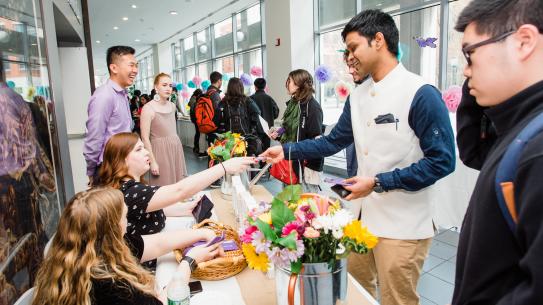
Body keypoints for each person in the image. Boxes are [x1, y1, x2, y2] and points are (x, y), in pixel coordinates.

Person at [261, 10, 455, 305]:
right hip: (361, 220)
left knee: (396, 299)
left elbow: (442, 161)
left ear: (378, 40)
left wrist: (379, 182)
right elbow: (332, 142)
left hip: (404, 223)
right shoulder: (358, 96)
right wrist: (286, 150)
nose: (348, 57)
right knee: (354, 292)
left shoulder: (420, 92)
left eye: (353, 48)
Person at [452, 1, 543, 304]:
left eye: (470, 53)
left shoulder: (536, 148)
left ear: (523, 41)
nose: (466, 70)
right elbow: (472, 151)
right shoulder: (519, 125)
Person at [32, 187, 221, 305]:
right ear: (113, 227)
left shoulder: (83, 252)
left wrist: (202, 233)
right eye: (124, 215)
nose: (128, 218)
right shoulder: (113, 287)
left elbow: (156, 244)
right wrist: (188, 263)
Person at [98, 132, 255, 268]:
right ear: (121, 159)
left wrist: (186, 209)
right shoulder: (132, 192)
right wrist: (224, 167)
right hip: (146, 265)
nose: (147, 153)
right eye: (139, 149)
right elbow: (180, 190)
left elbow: (150, 208)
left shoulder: (127, 188)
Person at [84, 46, 137, 186]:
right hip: (108, 168)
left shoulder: (122, 94)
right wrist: (92, 172)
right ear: (114, 68)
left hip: (122, 165)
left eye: (136, 65)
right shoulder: (104, 96)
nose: (135, 70)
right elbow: (94, 138)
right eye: (131, 65)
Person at [269, 69, 323, 192]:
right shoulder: (294, 104)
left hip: (305, 166)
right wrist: (278, 133)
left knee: (305, 203)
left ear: (299, 84)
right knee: (289, 200)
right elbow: (288, 127)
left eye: (290, 81)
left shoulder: (312, 107)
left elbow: (316, 138)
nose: (287, 84)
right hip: (291, 160)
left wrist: (309, 166)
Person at [140, 73, 187, 186]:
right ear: (156, 87)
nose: (168, 88)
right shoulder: (148, 108)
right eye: (164, 85)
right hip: (160, 151)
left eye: (170, 85)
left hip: (175, 148)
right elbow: (145, 138)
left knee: (178, 186)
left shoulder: (172, 106)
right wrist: (152, 161)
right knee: (163, 186)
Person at [215, 77, 262, 156]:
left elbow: (216, 119)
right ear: (241, 87)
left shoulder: (223, 102)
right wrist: (251, 126)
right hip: (245, 138)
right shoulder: (247, 100)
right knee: (245, 161)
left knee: (230, 162)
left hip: (229, 140)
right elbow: (257, 113)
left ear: (229, 88)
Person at [251, 78, 279, 152]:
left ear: (255, 86)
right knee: (266, 151)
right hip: (268, 129)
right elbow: (276, 112)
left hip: (255, 129)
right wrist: (270, 117)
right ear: (264, 86)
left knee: (256, 150)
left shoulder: (251, 99)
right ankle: (265, 163)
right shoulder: (269, 98)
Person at [188, 89, 204, 155]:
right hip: (196, 118)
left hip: (194, 118)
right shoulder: (194, 99)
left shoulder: (192, 98)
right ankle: (196, 147)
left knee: (197, 133)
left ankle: (196, 147)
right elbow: (194, 109)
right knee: (198, 133)